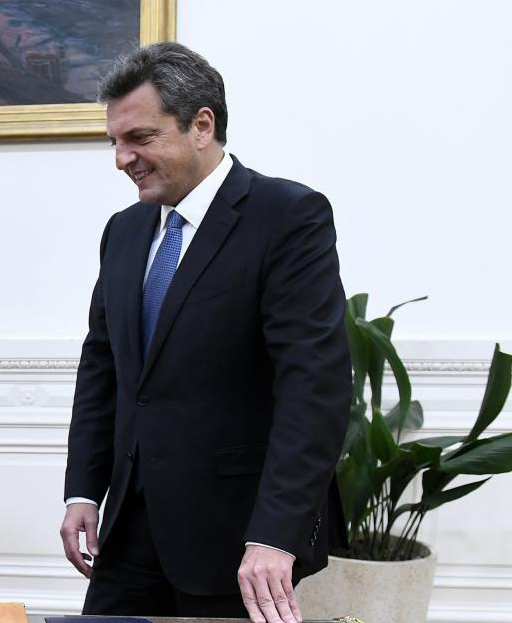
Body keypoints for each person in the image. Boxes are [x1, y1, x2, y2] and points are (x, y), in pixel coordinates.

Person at [59, 42, 350, 623]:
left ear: (201, 124)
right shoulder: (122, 232)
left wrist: (275, 534)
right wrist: (83, 491)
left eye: (139, 138)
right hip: (128, 533)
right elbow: (104, 369)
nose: (121, 159)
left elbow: (313, 387)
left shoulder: (287, 216)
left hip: (238, 539)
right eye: (114, 142)